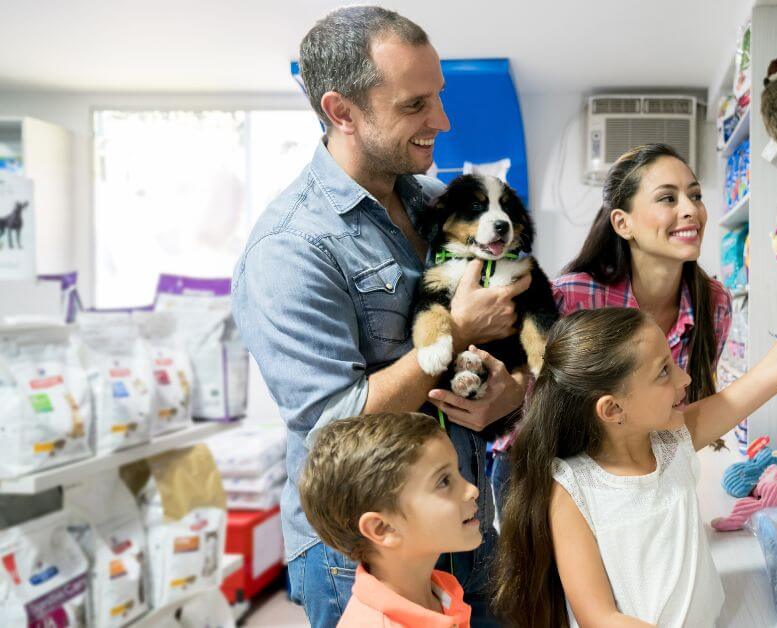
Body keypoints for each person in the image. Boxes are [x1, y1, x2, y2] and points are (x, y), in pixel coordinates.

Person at [231, 7, 527, 626]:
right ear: (341, 111)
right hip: (364, 555)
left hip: (465, 519)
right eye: (415, 104)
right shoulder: (290, 248)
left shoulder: (431, 204)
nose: (441, 121)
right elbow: (327, 429)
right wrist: (452, 337)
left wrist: (506, 391)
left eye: (438, 96)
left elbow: (492, 350)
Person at [492, 214, 777, 627]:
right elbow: (600, 617)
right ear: (612, 409)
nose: (685, 377)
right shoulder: (573, 489)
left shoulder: (673, 440)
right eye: (663, 371)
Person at [492, 143, 731, 513]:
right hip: (546, 476)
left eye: (695, 195)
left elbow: (683, 409)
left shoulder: (714, 303)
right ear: (623, 223)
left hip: (639, 476)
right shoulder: (570, 298)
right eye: (667, 198)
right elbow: (535, 412)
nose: (691, 210)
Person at [299, 412, 477, 628]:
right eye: (443, 482)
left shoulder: (442, 591)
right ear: (382, 528)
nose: (472, 490)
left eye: (457, 472)